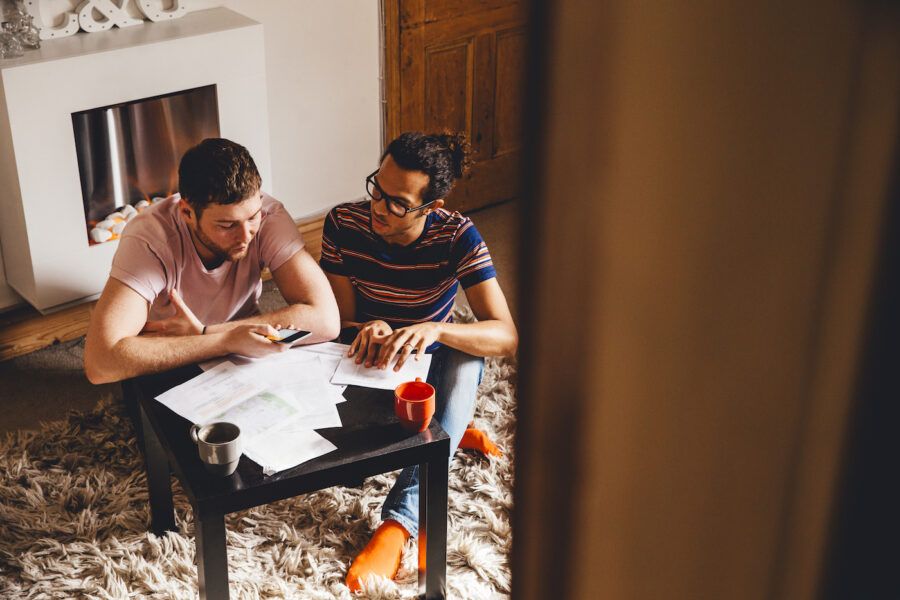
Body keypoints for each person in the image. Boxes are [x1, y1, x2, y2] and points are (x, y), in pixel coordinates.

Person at [319, 131, 518, 591]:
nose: (379, 208)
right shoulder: (342, 225)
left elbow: (506, 335)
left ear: (433, 206)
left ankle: (397, 525)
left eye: (398, 203)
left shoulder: (457, 235)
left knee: (467, 362)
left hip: (430, 362)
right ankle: (450, 424)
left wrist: (436, 329)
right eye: (377, 190)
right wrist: (364, 329)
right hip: (369, 357)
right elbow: (338, 324)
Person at [84, 137, 340, 385]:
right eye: (227, 225)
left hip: (244, 350)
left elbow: (326, 319)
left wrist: (209, 333)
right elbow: (101, 362)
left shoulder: (269, 216)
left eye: (252, 218)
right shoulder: (149, 238)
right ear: (187, 213)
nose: (245, 236)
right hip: (167, 354)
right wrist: (223, 341)